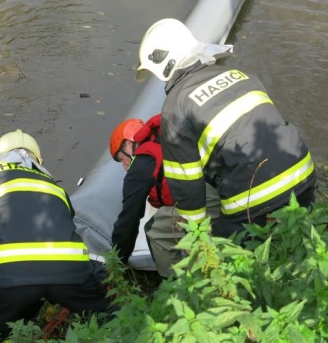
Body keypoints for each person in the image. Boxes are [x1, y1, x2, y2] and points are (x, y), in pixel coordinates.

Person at [135, 18, 317, 240]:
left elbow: (187, 185)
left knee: (226, 255)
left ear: (164, 64)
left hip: (255, 198)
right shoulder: (241, 75)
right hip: (303, 175)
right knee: (296, 244)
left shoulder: (175, 108)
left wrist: (198, 237)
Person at [0, 129, 112, 342]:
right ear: (36, 160)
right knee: (107, 317)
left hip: (7, 280)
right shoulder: (52, 184)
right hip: (70, 274)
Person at [109, 114, 219, 277]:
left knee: (155, 229)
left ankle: (176, 287)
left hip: (205, 199)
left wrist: (118, 261)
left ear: (128, 144)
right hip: (223, 187)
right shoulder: (166, 135)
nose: (125, 166)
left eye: (122, 159)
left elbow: (129, 221)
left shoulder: (142, 163)